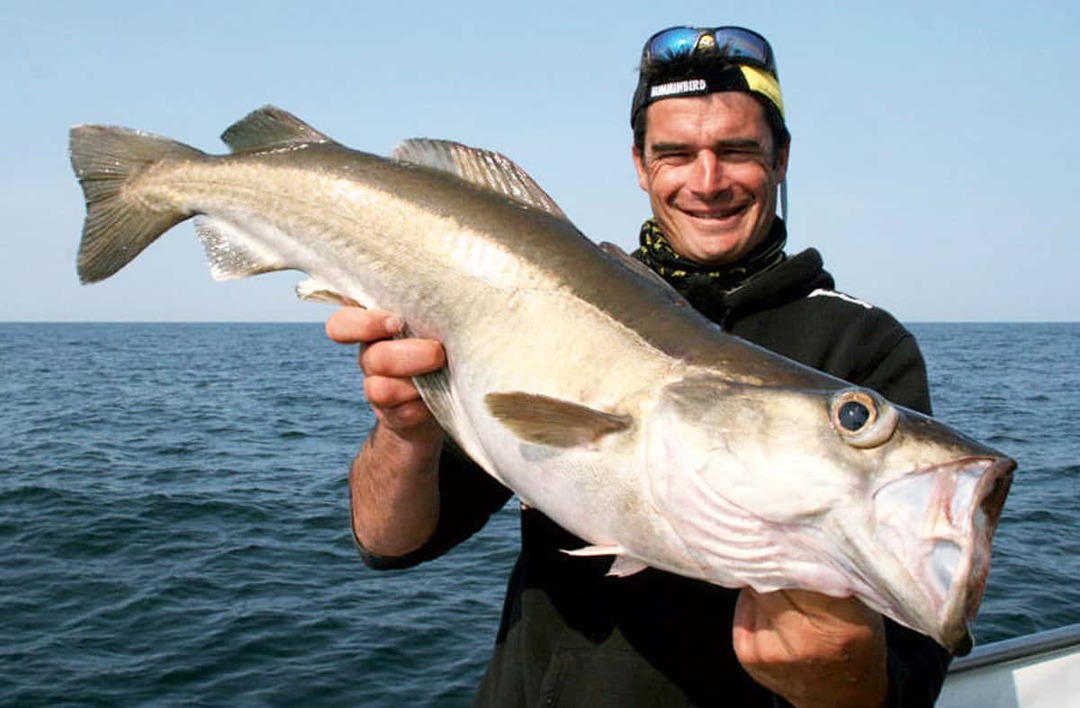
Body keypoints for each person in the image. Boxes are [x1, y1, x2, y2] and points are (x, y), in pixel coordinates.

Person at [326, 25, 951, 707]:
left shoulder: (862, 348)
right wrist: (405, 431)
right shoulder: (543, 307)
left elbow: (909, 662)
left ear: (781, 159)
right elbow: (389, 544)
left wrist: (845, 683)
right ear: (639, 163)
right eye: (675, 153)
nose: (706, 182)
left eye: (737, 150)